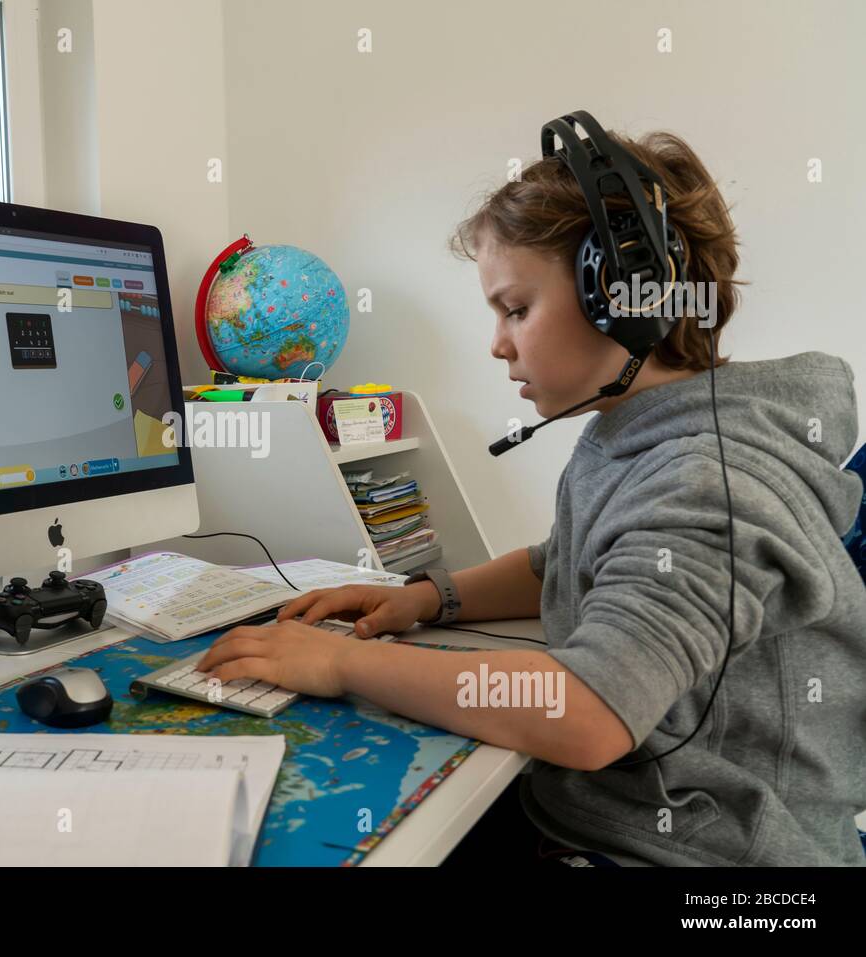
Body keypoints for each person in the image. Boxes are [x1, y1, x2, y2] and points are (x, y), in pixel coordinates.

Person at [196, 124, 866, 866]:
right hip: (625, 812)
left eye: (515, 308)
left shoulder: (710, 480)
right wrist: (426, 598)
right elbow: (562, 560)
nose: (498, 343)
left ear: (621, 298)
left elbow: (588, 711)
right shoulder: (636, 432)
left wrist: (340, 664)